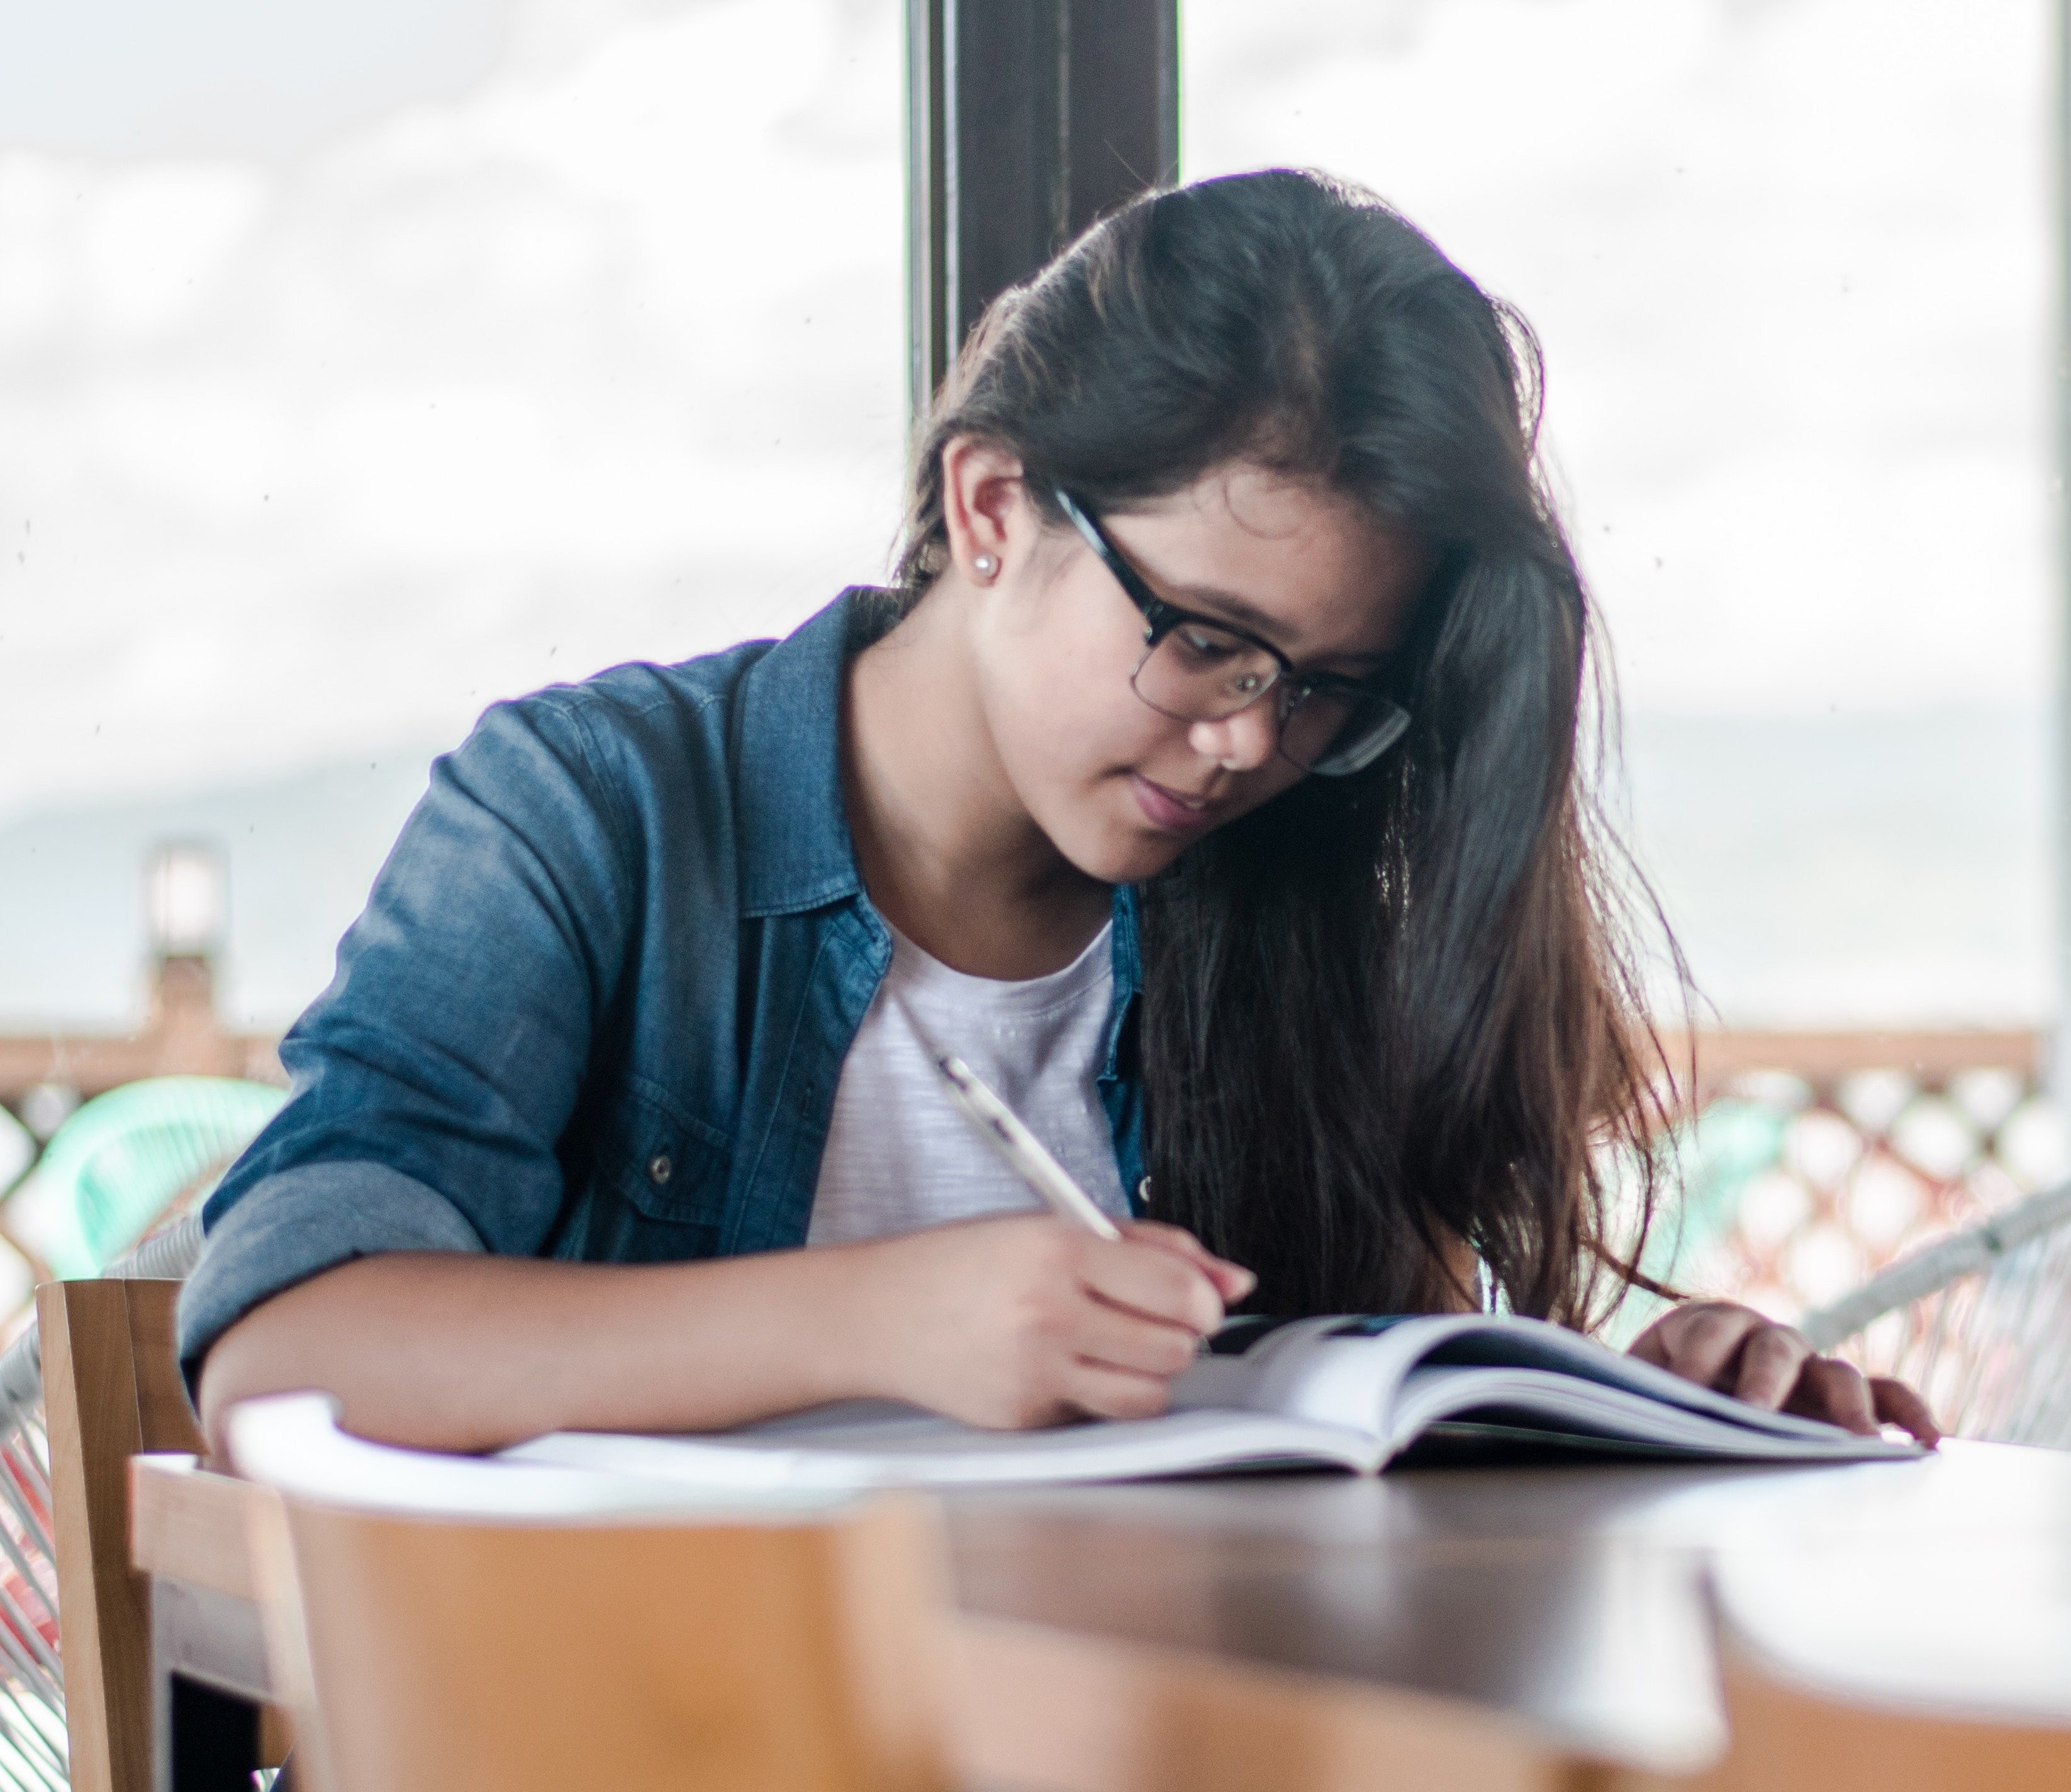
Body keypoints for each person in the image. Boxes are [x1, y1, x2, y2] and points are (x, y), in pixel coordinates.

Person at [186, 169, 1938, 1454]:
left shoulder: (1281, 895)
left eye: (1324, 684)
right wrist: (883, 1314)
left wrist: (1652, 1404)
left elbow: (1375, 1441)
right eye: (1206, 641)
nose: (1251, 742)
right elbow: (286, 1344)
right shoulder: (595, 811)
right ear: (994, 503)